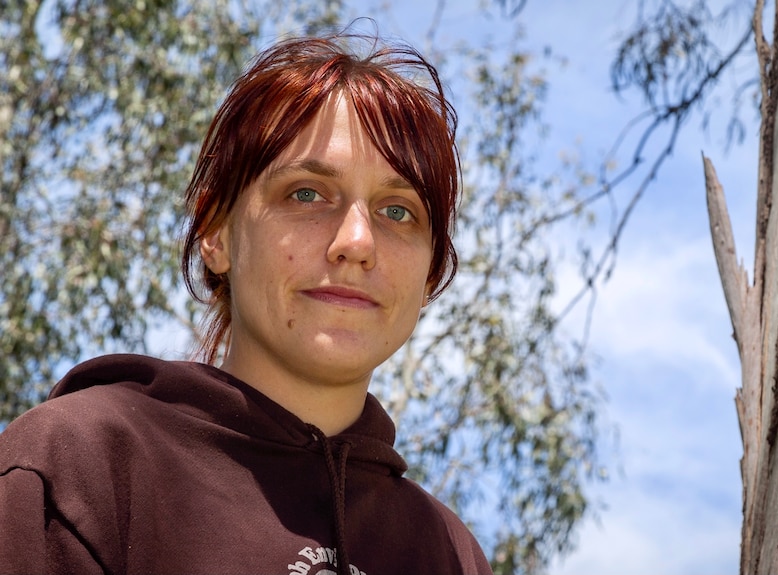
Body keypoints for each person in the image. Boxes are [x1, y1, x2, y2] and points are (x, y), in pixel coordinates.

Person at [0, 30, 493, 575]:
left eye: (398, 211)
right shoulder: (77, 468)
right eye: (306, 194)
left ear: (430, 274)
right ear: (216, 234)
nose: (357, 242)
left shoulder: (453, 553)